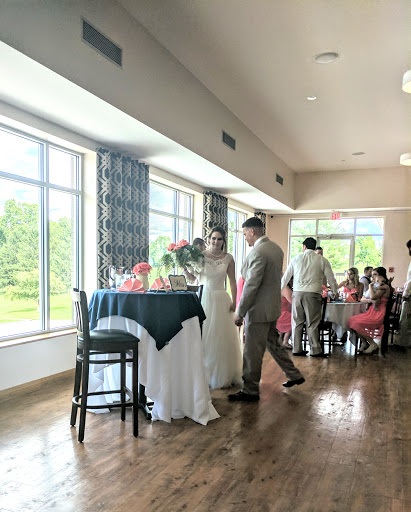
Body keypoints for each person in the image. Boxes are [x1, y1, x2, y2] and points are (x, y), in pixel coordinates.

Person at [228, 217, 304, 402]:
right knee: (274, 345)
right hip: (272, 308)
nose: (245, 238)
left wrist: (240, 311)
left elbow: (251, 285)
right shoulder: (276, 249)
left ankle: (250, 390)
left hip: (258, 311)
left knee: (252, 352)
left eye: (245, 234)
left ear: (252, 231)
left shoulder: (258, 252)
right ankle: (294, 374)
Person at [185, 227, 242, 389]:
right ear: (209, 239)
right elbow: (193, 278)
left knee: (220, 339)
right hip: (203, 299)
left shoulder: (228, 258)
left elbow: (232, 281)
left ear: (223, 241)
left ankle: (221, 374)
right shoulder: (200, 256)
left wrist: (235, 301)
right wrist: (184, 269)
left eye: (219, 239)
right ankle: (201, 373)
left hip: (221, 299)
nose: (216, 242)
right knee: (203, 336)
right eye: (213, 238)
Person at [281, 237, 339, 357]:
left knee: (297, 322)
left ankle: (297, 349)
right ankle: (315, 350)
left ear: (304, 246)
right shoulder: (322, 260)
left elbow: (286, 277)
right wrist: (335, 291)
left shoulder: (296, 259)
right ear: (314, 246)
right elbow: (331, 278)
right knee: (312, 323)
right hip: (313, 294)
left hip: (297, 294)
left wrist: (278, 290)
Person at [348, 266, 392, 354]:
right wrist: (370, 301)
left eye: (375, 275)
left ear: (381, 276)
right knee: (350, 321)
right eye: (372, 275)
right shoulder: (376, 286)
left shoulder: (383, 287)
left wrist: (370, 286)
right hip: (371, 311)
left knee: (355, 323)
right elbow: (362, 299)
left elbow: (373, 296)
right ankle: (365, 342)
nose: (372, 277)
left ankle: (372, 343)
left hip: (378, 313)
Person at [399, 239, 411, 347]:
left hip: (409, 295)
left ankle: (404, 343)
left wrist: (405, 294)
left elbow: (410, 280)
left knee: (405, 319)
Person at [277, 281, 293, 349]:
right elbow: (293, 301)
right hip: (282, 314)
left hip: (278, 313)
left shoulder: (277, 287)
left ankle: (279, 341)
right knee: (295, 320)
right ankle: (285, 341)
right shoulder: (285, 288)